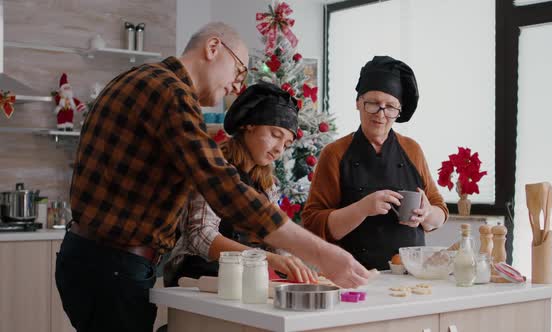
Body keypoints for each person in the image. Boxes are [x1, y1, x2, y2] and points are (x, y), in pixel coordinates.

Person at [55, 22, 368, 332]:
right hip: (113, 266)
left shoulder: (139, 79)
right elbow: (222, 186)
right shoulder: (169, 92)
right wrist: (322, 254)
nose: (236, 86)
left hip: (99, 260)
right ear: (213, 48)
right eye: (238, 72)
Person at [302, 56, 448, 271]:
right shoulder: (334, 153)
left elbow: (440, 213)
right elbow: (314, 223)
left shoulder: (412, 149)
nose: (381, 114)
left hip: (410, 275)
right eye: (373, 103)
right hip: (354, 275)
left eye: (390, 107)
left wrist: (427, 214)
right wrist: (362, 208)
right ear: (358, 103)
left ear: (398, 112)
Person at [164, 82, 317, 287]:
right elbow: (200, 235)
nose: (280, 149)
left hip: (244, 279)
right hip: (197, 277)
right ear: (249, 125)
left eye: (287, 144)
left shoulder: (268, 185)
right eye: (275, 135)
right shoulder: (213, 168)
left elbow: (274, 237)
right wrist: (266, 258)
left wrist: (290, 261)